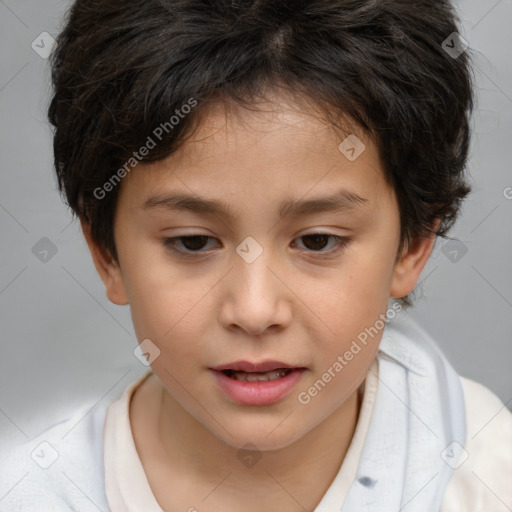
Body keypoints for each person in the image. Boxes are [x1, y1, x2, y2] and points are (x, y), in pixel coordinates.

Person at [1, 0, 511, 510]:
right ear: (106, 253)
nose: (254, 310)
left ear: (415, 241)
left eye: (317, 241)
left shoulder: (488, 477)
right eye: (193, 242)